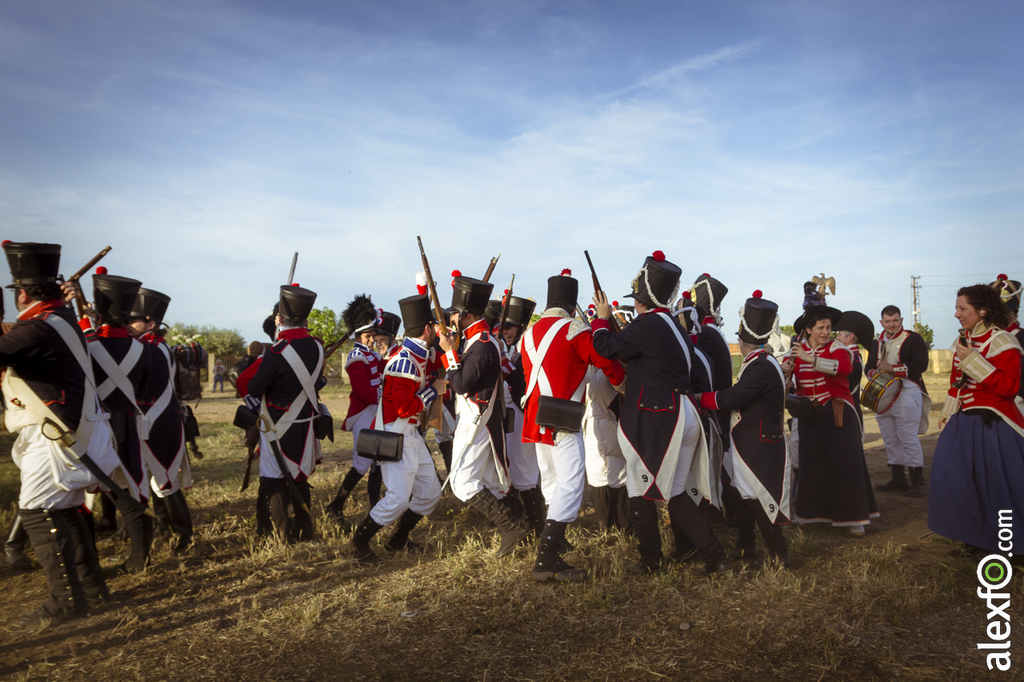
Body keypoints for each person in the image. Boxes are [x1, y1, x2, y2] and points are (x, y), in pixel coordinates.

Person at [591, 250, 730, 575]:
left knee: (674, 494)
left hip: (659, 420)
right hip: (681, 415)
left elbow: (606, 347)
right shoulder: (673, 325)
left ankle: (714, 557)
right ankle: (650, 559)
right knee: (640, 489)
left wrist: (601, 317)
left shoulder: (649, 324)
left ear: (641, 300)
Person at [0, 241, 115, 625]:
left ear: (23, 293)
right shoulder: (59, 318)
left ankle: (65, 601)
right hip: (71, 429)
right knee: (66, 510)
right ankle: (91, 586)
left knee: (37, 512)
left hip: (56, 434)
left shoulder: (38, 328)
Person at [520, 270, 625, 582]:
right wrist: (620, 381)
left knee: (551, 479)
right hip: (563, 418)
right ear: (571, 304)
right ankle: (547, 557)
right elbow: (603, 357)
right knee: (571, 484)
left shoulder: (528, 334)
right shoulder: (573, 329)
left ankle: (557, 540)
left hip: (536, 418)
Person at [350, 294, 447, 564]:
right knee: (397, 499)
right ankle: (359, 543)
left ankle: (397, 540)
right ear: (428, 329)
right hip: (397, 432)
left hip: (411, 433)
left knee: (429, 493)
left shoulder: (418, 354)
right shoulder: (405, 360)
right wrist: (432, 391)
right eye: (435, 327)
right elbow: (405, 408)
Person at [929, 284, 1024, 557]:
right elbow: (954, 384)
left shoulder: (1004, 342)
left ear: (982, 311)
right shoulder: (962, 341)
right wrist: (947, 413)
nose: (957, 314)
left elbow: (1009, 387)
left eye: (962, 309)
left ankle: (1008, 547)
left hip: (995, 423)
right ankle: (976, 538)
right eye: (957, 308)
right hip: (963, 422)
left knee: (997, 487)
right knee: (958, 482)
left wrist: (973, 360)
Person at [439, 276, 530, 557]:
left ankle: (512, 527)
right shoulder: (476, 340)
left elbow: (462, 384)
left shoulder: (481, 344)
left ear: (465, 315)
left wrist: (449, 354)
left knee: (463, 484)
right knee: (492, 480)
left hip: (478, 420)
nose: (451, 318)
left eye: (455, 314)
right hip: (474, 418)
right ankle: (520, 525)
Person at [698, 291, 790, 565]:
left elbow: (733, 398)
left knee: (759, 497)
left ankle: (779, 555)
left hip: (758, 441)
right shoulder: (761, 361)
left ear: (741, 340)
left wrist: (699, 398)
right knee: (743, 495)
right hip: (749, 438)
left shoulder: (760, 366)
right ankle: (746, 545)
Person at [82, 271, 156, 572]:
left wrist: (86, 322)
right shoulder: (144, 349)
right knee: (130, 490)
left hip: (91, 427)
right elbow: (147, 391)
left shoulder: (86, 343)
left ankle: (85, 561)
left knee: (80, 492)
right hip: (128, 426)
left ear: (99, 312)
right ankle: (140, 558)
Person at [240, 284, 324, 542]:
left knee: (274, 479)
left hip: (277, 424)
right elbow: (318, 383)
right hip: (305, 423)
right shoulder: (317, 347)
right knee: (298, 476)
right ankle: (305, 529)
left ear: (280, 320)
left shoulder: (276, 352)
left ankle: (284, 534)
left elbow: (254, 387)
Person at [787, 305, 879, 536]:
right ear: (808, 329)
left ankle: (852, 518)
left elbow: (843, 368)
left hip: (838, 413)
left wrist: (809, 358)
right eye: (821, 328)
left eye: (829, 327)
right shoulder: (797, 351)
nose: (826, 332)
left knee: (844, 465)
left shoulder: (839, 349)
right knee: (812, 465)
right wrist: (786, 378)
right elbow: (795, 382)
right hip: (809, 414)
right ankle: (812, 515)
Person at [128, 287, 195, 553]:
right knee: (153, 479)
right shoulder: (152, 345)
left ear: (150, 323)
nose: (128, 326)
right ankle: (163, 527)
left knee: (165, 481)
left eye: (133, 321)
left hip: (156, 421)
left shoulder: (150, 349)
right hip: (155, 418)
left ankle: (184, 534)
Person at [326, 295, 385, 527]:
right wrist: (386, 397)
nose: (371, 339)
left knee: (378, 462)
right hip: (363, 414)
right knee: (362, 464)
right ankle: (336, 505)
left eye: (372, 335)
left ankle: (374, 508)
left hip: (376, 412)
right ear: (358, 336)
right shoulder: (355, 356)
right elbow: (362, 392)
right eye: (368, 336)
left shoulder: (371, 353)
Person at [865, 306, 931, 496]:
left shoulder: (913, 339)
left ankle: (917, 481)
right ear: (881, 323)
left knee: (908, 437)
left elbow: (920, 365)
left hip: (908, 392)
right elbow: (868, 367)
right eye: (888, 321)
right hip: (883, 394)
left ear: (901, 320)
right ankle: (898, 478)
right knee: (889, 437)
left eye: (895, 321)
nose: (892, 325)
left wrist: (892, 368)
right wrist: (874, 373)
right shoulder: (876, 343)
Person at [495, 295, 546, 536]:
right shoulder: (497, 347)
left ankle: (537, 528)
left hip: (518, 415)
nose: (505, 332)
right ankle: (516, 522)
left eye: (510, 327)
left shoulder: (525, 349)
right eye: (502, 327)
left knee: (524, 472)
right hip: (498, 419)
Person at [834, 311, 875, 430]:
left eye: (840, 334)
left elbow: (846, 387)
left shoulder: (850, 357)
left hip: (846, 413)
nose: (837, 338)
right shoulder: (853, 356)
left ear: (850, 337)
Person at [990, 275, 1023, 408]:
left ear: (1015, 316)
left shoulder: (1021, 336)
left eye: (1006, 313)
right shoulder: (988, 337)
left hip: (1018, 399)